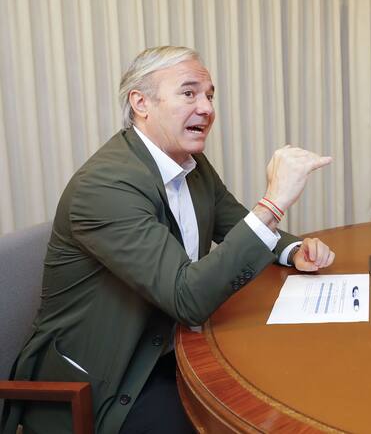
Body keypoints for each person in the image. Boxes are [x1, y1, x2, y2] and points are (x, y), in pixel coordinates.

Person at [1, 46, 335, 434]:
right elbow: (186, 298)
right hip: (110, 379)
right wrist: (274, 202)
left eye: (210, 94)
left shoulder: (189, 164)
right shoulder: (105, 185)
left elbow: (236, 222)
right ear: (141, 103)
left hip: (173, 345)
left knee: (291, 377)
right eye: (189, 93)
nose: (207, 108)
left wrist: (294, 250)